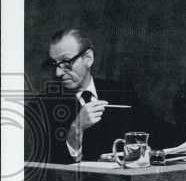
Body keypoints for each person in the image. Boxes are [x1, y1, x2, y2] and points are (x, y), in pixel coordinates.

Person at [25, 28, 163, 164]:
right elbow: (49, 170)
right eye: (54, 64)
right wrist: (76, 130)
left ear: (88, 59)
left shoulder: (122, 92)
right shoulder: (41, 106)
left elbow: (154, 133)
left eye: (66, 62)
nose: (58, 73)